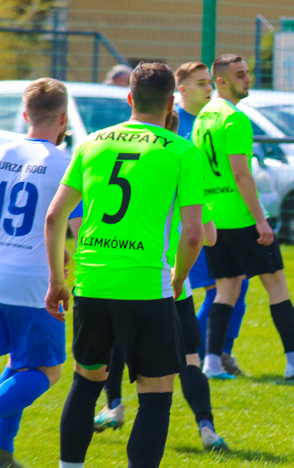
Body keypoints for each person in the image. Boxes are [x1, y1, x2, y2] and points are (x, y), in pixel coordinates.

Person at [45, 62, 205, 468]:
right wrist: (179, 277)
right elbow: (193, 234)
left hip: (93, 286)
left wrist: (57, 280)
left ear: (129, 98)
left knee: (87, 381)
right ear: (172, 102)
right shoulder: (182, 150)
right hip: (147, 289)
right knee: (155, 393)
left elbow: (54, 218)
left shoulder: (92, 143)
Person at [90, 107, 230, 452]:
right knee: (189, 360)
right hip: (170, 283)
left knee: (117, 344)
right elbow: (209, 236)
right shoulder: (181, 166)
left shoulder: (125, 160)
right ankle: (207, 428)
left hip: (127, 275)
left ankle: (114, 405)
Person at [191, 54, 294, 381]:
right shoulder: (234, 119)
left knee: (226, 291)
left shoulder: (202, 117)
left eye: (248, 73)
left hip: (214, 218)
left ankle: (210, 362)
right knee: (277, 285)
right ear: (221, 81)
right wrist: (261, 220)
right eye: (240, 75)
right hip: (241, 218)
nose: (247, 79)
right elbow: (241, 174)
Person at [0, 79, 81, 468]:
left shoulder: (2, 150)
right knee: (47, 369)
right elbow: (77, 227)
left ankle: (3, 453)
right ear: (64, 119)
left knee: (19, 363)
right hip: (32, 282)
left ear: (25, 115)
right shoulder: (66, 164)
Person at [174, 62, 250, 378]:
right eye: (201, 84)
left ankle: (221, 352)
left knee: (236, 285)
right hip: (189, 224)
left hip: (221, 219)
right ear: (182, 89)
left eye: (209, 83)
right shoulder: (174, 125)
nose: (208, 89)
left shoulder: (211, 118)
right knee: (212, 290)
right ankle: (195, 355)